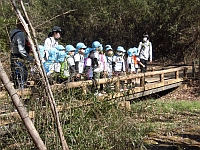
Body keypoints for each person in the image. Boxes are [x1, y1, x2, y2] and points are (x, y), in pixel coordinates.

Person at [10, 17, 34, 89]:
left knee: (17, 79)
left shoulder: (13, 32)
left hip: (13, 57)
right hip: (18, 59)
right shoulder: (20, 34)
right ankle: (21, 95)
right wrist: (30, 59)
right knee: (21, 78)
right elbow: (21, 50)